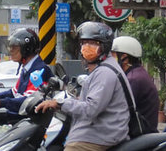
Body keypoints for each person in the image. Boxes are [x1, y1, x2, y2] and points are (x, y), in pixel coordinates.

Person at [36, 21, 132, 150]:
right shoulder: (103, 68)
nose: (87, 47)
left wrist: (60, 103)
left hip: (99, 135)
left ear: (105, 46)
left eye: (93, 43)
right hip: (98, 131)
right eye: (84, 42)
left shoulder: (104, 73)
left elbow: (91, 109)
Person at [0, 28, 53, 123]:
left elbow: (30, 100)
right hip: (22, 118)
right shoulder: (27, 68)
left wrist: (0, 102)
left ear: (26, 49)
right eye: (10, 47)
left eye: (15, 47)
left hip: (31, 122)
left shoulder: (38, 71)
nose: (11, 50)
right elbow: (14, 92)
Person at [111, 35, 159, 134]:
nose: (110, 59)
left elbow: (120, 108)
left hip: (140, 133)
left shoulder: (133, 79)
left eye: (113, 55)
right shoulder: (136, 73)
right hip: (140, 130)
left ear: (124, 57)